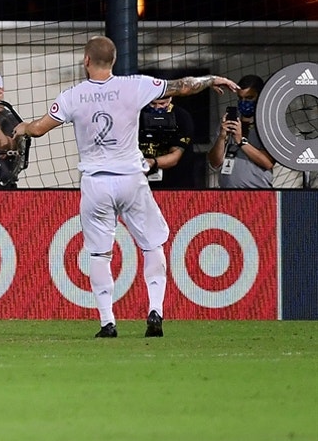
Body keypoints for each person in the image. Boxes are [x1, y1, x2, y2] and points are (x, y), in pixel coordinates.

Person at [13, 36, 237, 338]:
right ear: (114, 60)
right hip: (131, 178)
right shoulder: (134, 85)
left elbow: (39, 129)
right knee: (152, 244)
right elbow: (182, 86)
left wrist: (23, 127)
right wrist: (211, 79)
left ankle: (108, 321)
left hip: (96, 183)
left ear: (86, 61)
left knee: (99, 254)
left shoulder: (73, 95)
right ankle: (155, 309)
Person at [207, 74, 275, 188]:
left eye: (249, 98)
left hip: (256, 192)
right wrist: (222, 137)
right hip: (227, 193)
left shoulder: (267, 124)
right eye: (240, 98)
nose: (244, 102)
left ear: (260, 97)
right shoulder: (229, 121)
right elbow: (215, 163)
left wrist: (241, 141)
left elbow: (267, 163)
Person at [137, 95, 196, 188]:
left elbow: (175, 156)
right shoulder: (137, 115)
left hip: (176, 183)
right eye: (153, 104)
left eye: (162, 104)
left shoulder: (182, 117)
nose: (157, 108)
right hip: (141, 181)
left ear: (170, 99)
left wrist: (152, 163)